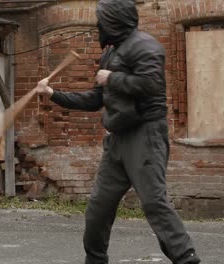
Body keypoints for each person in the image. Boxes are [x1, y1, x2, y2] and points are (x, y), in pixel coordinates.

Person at [35, 0, 201, 263]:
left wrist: (112, 78)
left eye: (102, 19)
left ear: (114, 19)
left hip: (145, 135)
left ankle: (185, 257)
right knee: (98, 208)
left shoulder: (146, 46)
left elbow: (151, 84)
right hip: (117, 140)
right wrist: (53, 94)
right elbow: (94, 99)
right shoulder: (110, 53)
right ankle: (95, 259)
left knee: (153, 202)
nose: (98, 25)